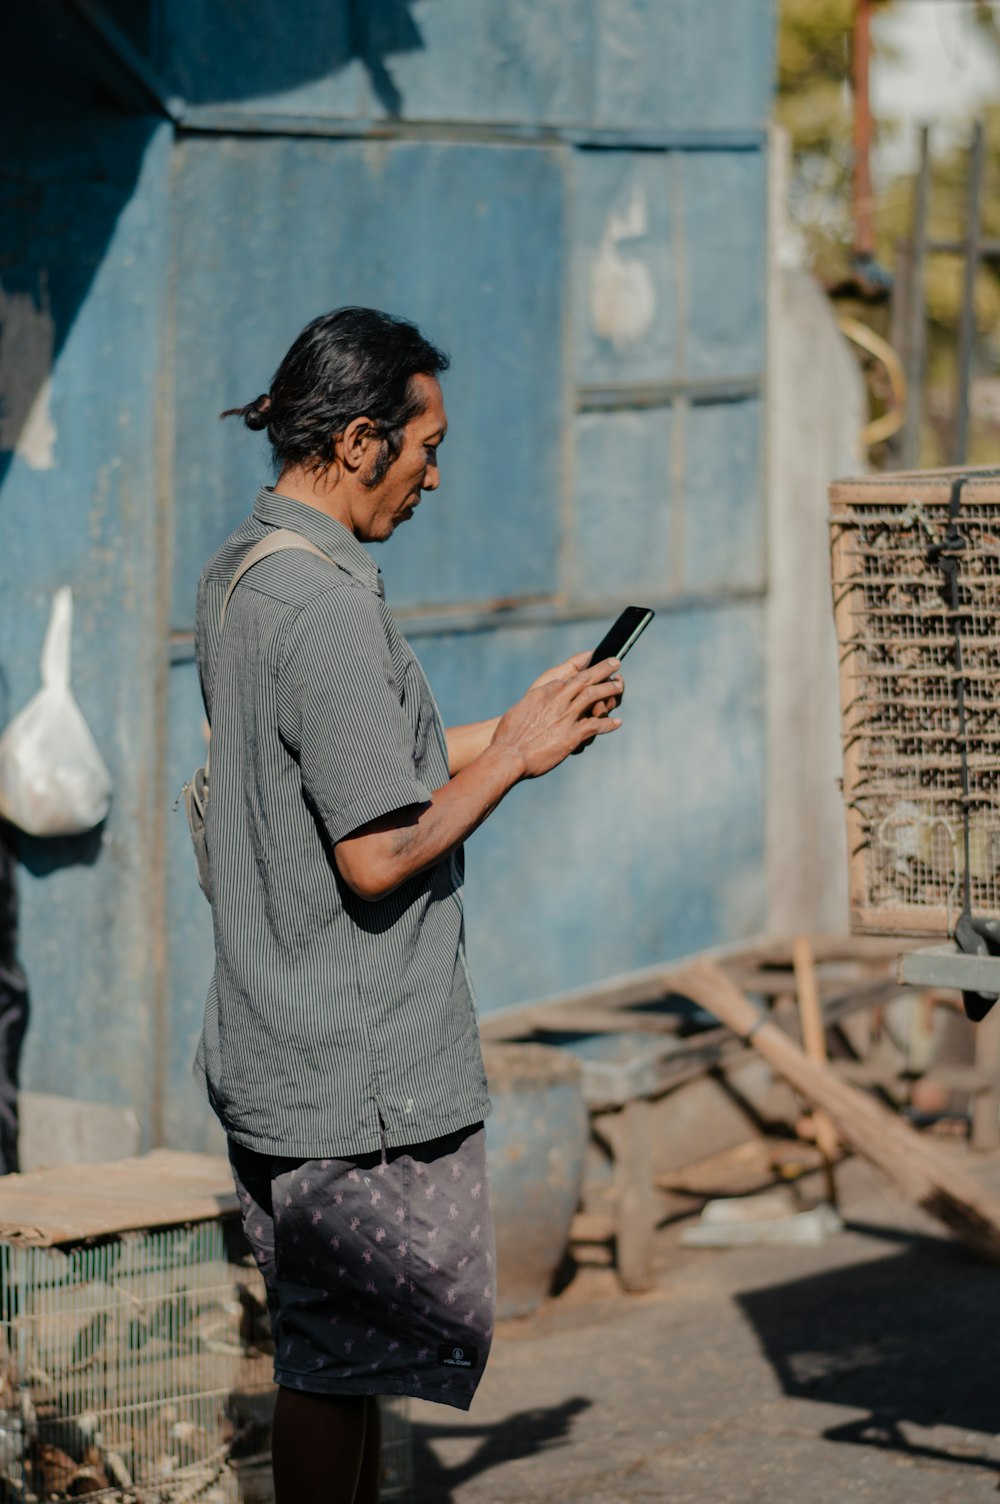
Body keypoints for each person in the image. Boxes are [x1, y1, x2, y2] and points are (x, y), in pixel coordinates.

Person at [194, 307, 624, 1504]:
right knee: (336, 1365)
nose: (437, 474)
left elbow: (367, 770)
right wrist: (514, 764)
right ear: (363, 440)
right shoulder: (324, 607)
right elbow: (378, 852)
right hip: (355, 1066)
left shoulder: (245, 568)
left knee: (338, 1354)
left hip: (279, 1039)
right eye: (427, 446)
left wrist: (525, 726)